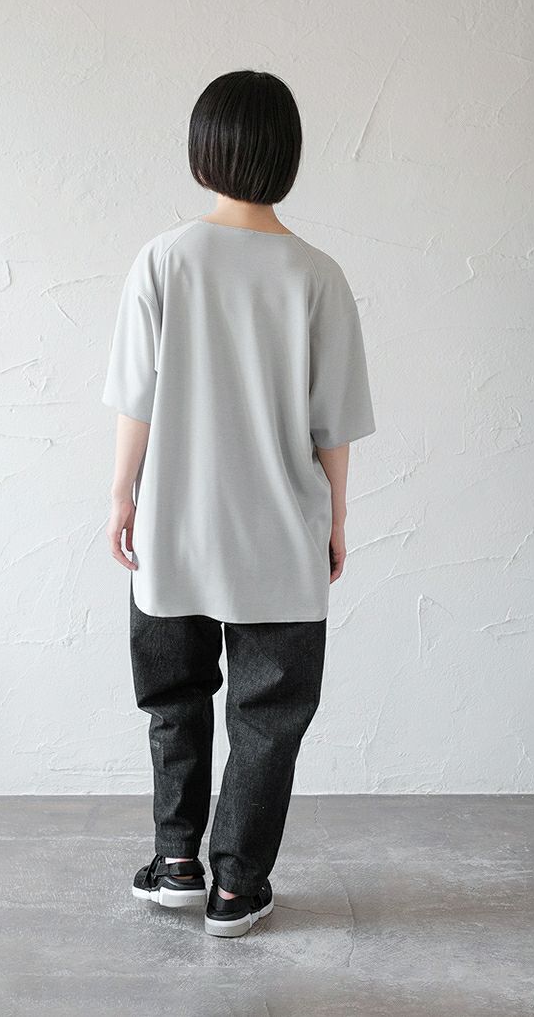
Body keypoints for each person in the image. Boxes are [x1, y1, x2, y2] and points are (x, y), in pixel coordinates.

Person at [102, 70, 376, 937]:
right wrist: (335, 519)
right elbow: (333, 424)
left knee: (173, 698)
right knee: (269, 717)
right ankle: (236, 887)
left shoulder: (163, 258)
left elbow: (136, 398)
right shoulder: (318, 275)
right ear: (288, 156)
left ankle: (176, 863)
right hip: (279, 536)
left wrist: (121, 495)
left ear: (203, 153)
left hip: (174, 527)